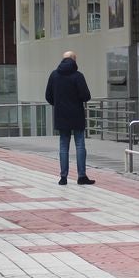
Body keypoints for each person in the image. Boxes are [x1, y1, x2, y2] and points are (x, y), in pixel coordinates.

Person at [45, 50, 95, 186]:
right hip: (76, 114)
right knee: (80, 144)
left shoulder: (54, 75)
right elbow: (86, 96)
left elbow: (48, 96)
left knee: (63, 145)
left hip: (61, 115)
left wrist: (58, 104)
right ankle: (81, 176)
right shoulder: (78, 76)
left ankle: (63, 177)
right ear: (74, 60)